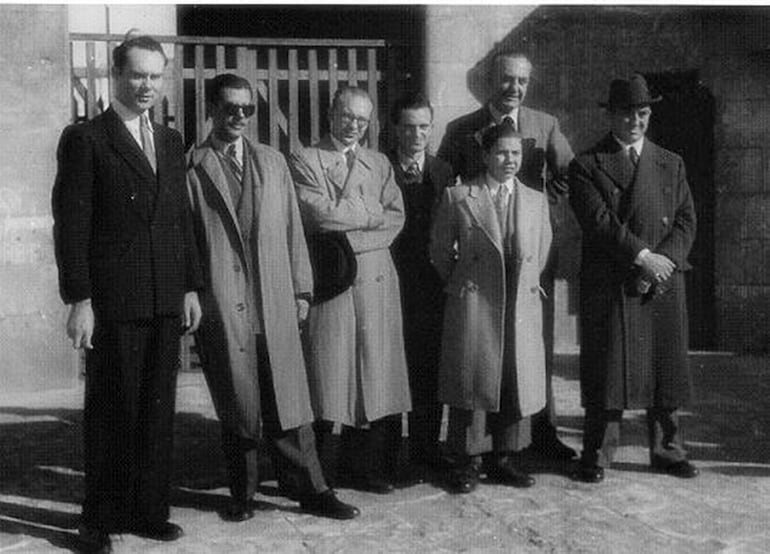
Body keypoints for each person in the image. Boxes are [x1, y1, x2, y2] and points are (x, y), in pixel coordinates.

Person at [52, 34, 202, 553]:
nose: (146, 86)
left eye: (155, 76)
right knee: (112, 411)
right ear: (116, 75)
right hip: (115, 302)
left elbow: (180, 219)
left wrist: (189, 286)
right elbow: (71, 225)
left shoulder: (170, 139)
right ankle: (99, 519)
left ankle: (147, 511)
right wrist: (80, 299)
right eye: (137, 75)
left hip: (164, 296)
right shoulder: (87, 139)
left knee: (157, 411)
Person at [185, 74, 359, 521]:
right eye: (230, 107)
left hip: (275, 297)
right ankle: (242, 494)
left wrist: (302, 289)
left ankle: (311, 488)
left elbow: (293, 233)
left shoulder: (273, 162)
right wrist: (193, 294)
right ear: (212, 108)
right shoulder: (191, 166)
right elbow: (184, 241)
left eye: (247, 109)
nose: (239, 116)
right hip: (223, 300)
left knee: (288, 395)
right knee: (237, 397)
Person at [437, 51, 576, 461]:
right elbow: (445, 182)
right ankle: (474, 448)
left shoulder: (545, 125)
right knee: (478, 355)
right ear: (490, 81)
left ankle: (538, 435)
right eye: (507, 79)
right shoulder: (462, 129)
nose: (514, 88)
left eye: (522, 81)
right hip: (480, 263)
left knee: (530, 351)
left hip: (528, 258)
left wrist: (541, 211)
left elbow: (569, 172)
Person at [568, 74, 698, 483]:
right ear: (611, 116)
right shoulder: (586, 165)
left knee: (665, 370)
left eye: (642, 113)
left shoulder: (670, 162)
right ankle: (598, 455)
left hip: (662, 280)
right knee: (608, 373)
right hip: (614, 280)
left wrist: (665, 262)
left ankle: (668, 450)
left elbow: (685, 220)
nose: (635, 122)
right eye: (626, 114)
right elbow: (600, 223)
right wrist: (643, 257)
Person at [289, 86, 411, 494]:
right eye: (347, 116)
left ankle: (368, 468)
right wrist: (365, 217)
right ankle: (319, 473)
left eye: (362, 119)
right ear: (331, 114)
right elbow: (317, 214)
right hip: (333, 279)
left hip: (376, 279)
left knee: (375, 375)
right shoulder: (305, 158)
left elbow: (395, 216)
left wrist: (351, 230)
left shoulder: (379, 163)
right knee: (328, 375)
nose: (354, 125)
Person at [430, 121, 552, 493]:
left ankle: (505, 457)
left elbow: (542, 249)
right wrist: (465, 282)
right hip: (476, 301)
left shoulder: (535, 199)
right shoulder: (460, 196)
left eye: (516, 153)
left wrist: (525, 281)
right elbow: (438, 251)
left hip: (519, 301)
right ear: (485, 155)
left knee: (513, 379)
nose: (509, 160)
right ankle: (464, 460)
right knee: (472, 381)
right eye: (501, 152)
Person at [386, 92, 456, 483]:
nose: (416, 135)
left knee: (429, 370)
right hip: (390, 281)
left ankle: (427, 448)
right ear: (396, 128)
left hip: (431, 286)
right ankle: (389, 453)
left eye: (424, 127)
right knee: (391, 369)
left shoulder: (444, 172)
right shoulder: (379, 167)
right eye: (409, 127)